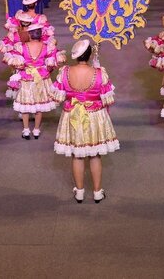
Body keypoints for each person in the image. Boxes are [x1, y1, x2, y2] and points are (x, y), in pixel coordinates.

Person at [50, 39, 118, 203]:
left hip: (73, 114)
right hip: (93, 115)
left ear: (75, 56)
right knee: (95, 155)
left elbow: (57, 96)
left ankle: (79, 192)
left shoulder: (65, 72)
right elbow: (108, 99)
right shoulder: (99, 73)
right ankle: (97, 192)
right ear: (89, 55)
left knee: (77, 155)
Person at [3, 21, 60, 139]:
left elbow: (16, 63)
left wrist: (23, 69)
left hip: (26, 78)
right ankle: (36, 130)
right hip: (41, 77)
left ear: (29, 34)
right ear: (40, 35)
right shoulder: (46, 46)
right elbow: (51, 64)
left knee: (25, 104)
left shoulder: (22, 47)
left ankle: (26, 130)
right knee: (39, 105)